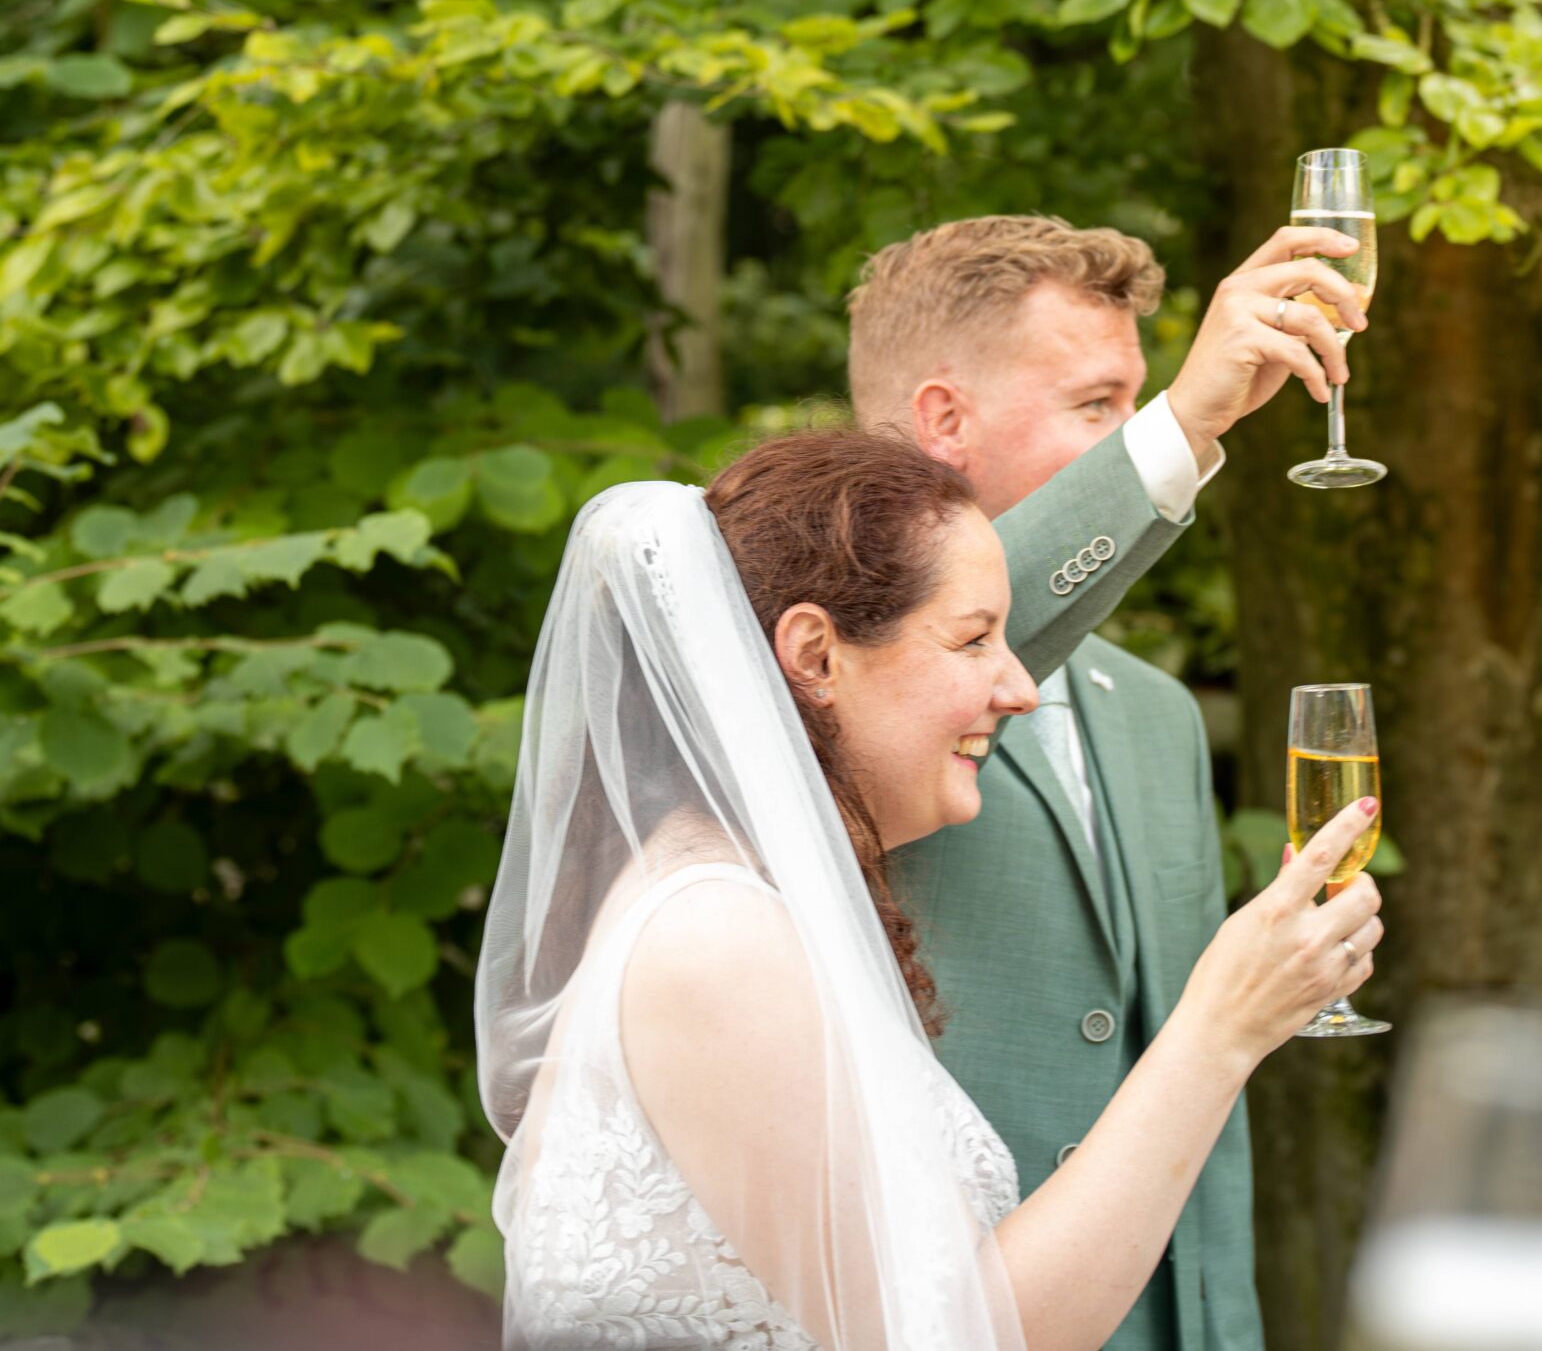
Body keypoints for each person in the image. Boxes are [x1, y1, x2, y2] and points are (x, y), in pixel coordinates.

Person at [475, 432, 1383, 1350]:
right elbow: (955, 1335)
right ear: (817, 654)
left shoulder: (735, 902)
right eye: (974, 637)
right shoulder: (711, 940)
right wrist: (1219, 1028)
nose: (1020, 687)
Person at [847, 216, 1366, 1351]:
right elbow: (972, 627)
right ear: (943, 420)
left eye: (1137, 403)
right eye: (1098, 408)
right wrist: (1190, 423)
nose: (1132, 434)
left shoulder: (1160, 715)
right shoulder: (836, 674)